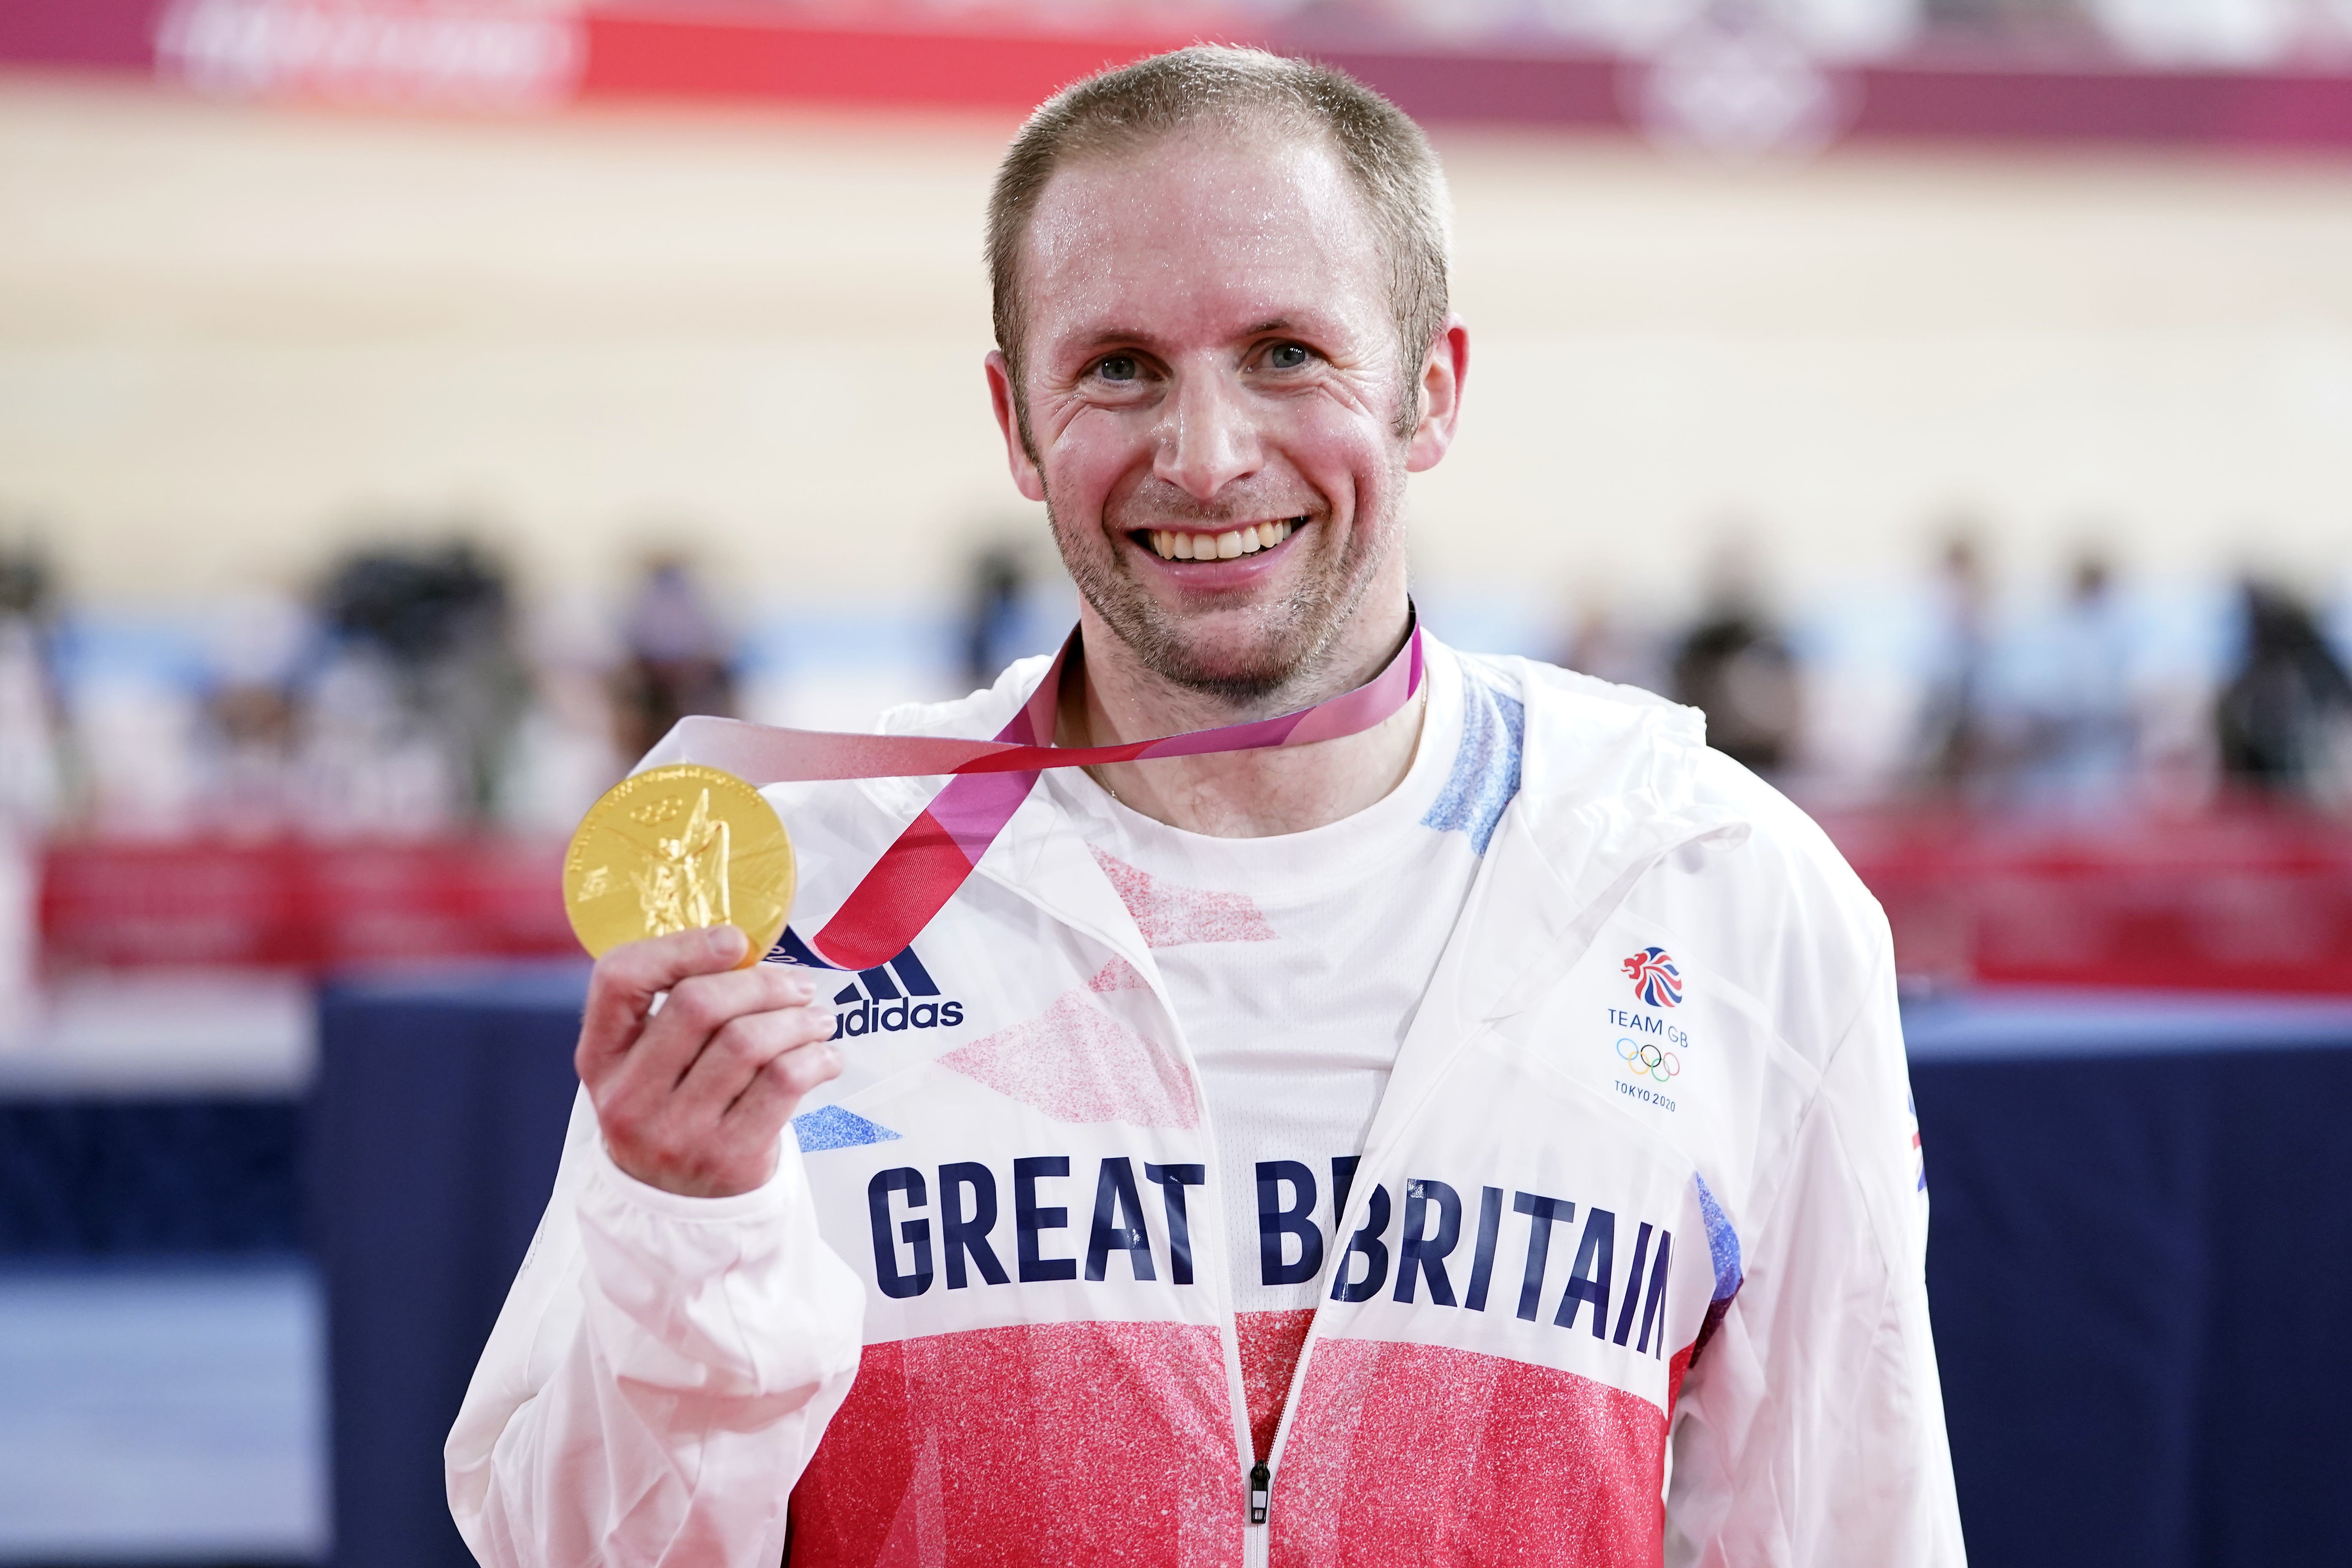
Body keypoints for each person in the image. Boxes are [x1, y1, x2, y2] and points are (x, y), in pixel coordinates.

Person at [448, 46, 1962, 1567]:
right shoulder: (797, 881)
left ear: (1431, 390)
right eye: (1117, 367)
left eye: (1288, 353)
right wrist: (685, 1230)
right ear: (1019, 427)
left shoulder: (1720, 885)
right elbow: (566, 1547)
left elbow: (1849, 1523)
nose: (1206, 454)